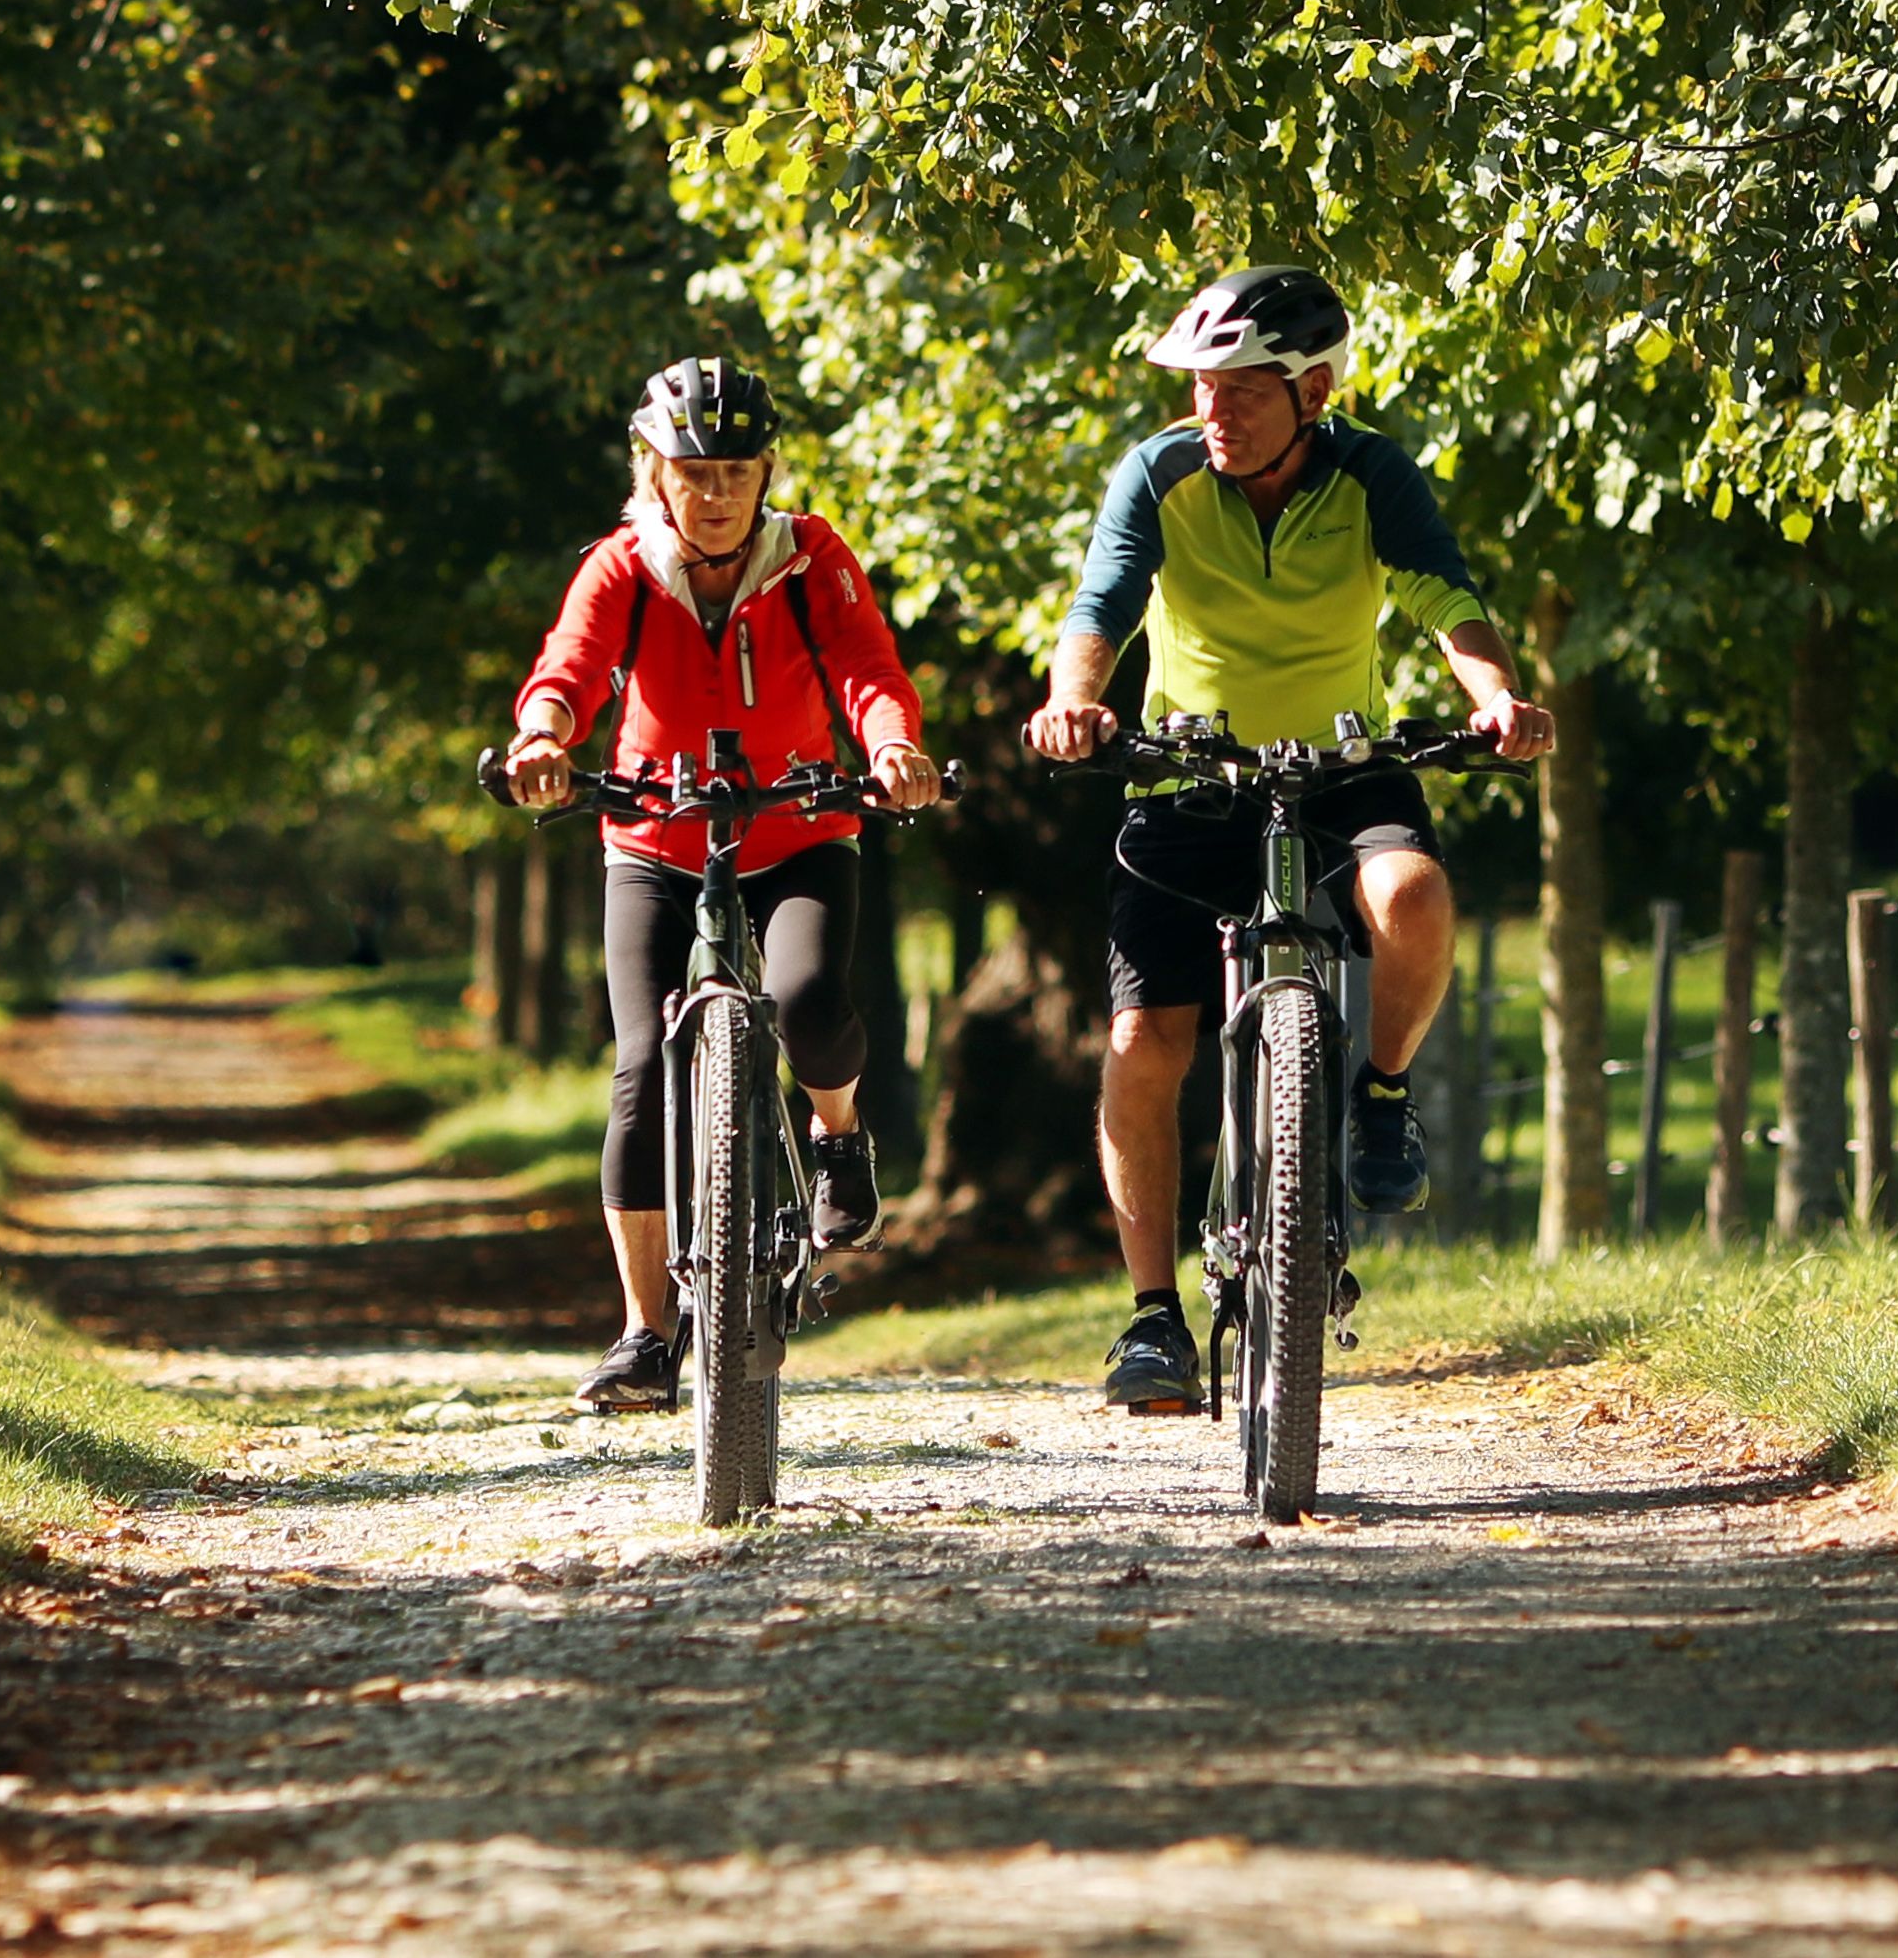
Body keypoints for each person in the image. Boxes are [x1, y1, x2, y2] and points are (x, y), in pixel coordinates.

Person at [1024, 265, 1553, 1417]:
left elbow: (1443, 600)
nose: (1213, 410)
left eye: (1240, 391)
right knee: (1141, 1039)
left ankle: (1377, 1094)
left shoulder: (1371, 472)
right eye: (1203, 387)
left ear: (1311, 388)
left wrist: (1496, 697)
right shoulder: (1159, 472)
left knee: (1410, 895)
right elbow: (1099, 609)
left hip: (1341, 767)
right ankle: (1151, 1318)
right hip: (1188, 776)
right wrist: (1076, 703)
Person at [503, 353, 944, 1417]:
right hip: (655, 833)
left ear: (764, 473)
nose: (713, 496)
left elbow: (867, 669)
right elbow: (569, 667)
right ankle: (644, 1333)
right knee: (641, 1067)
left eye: (735, 473)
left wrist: (890, 745)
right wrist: (541, 736)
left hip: (796, 824)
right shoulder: (620, 567)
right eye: (692, 475)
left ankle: (835, 1136)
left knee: (804, 1003)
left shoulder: (809, 559)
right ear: (653, 473)